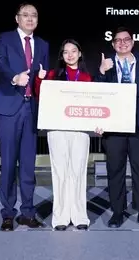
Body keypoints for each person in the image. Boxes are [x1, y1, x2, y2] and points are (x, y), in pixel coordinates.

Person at [95, 26, 139, 228]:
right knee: (115, 168)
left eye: (126, 40)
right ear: (113, 44)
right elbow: (97, 92)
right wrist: (101, 72)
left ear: (132, 42)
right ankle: (117, 211)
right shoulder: (107, 65)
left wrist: (131, 89)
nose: (122, 43)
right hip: (113, 125)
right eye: (118, 40)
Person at [0, 3, 49, 231]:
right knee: (8, 163)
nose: (30, 18)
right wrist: (14, 78)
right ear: (17, 18)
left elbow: (42, 77)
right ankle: (8, 213)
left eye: (34, 15)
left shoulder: (43, 44)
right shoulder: (4, 38)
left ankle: (27, 212)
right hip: (9, 107)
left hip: (31, 108)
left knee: (28, 164)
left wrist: (43, 77)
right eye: (25, 15)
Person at [35, 39, 92, 231]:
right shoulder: (53, 74)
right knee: (60, 172)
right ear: (62, 55)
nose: (70, 55)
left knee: (78, 171)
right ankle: (60, 217)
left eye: (73, 51)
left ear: (79, 53)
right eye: (66, 52)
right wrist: (40, 79)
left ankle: (79, 216)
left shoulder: (86, 78)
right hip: (57, 128)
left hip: (80, 129)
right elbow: (40, 95)